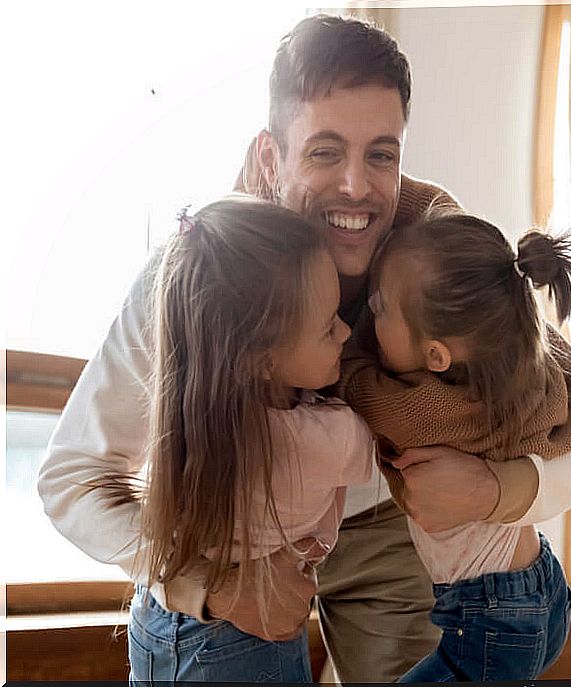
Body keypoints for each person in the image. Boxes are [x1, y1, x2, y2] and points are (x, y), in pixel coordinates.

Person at [38, 13, 571, 683]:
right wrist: (207, 582)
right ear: (268, 158)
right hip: (237, 545)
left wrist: (495, 488)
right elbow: (70, 478)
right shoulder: (203, 275)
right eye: (323, 150)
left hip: (395, 528)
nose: (355, 186)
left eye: (381, 153)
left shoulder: (434, 253)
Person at [106, 197, 371, 681]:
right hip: (245, 639)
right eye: (328, 325)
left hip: (155, 617)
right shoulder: (325, 439)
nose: (346, 331)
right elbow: (381, 439)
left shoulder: (190, 419)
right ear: (262, 357)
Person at [340, 211, 571, 681]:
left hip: (490, 616)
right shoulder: (521, 383)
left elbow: (356, 382)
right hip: (542, 585)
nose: (369, 313)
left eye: (379, 308)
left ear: (436, 356)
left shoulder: (421, 414)